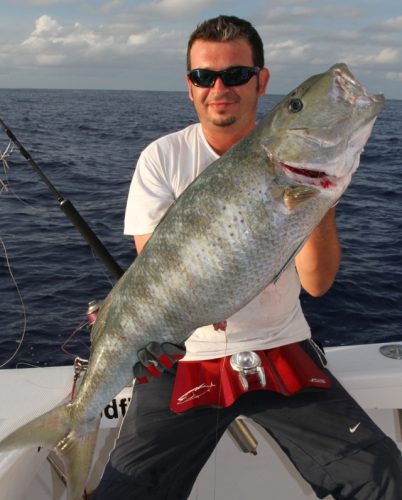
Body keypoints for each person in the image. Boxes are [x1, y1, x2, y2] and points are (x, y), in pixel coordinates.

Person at [93, 15, 402, 500]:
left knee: (385, 480)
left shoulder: (298, 171)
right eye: (204, 76)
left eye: (236, 75)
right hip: (185, 357)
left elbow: (318, 285)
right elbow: (157, 276)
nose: (220, 87)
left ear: (261, 81)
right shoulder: (162, 157)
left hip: (281, 346)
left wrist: (317, 199)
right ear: (190, 86)